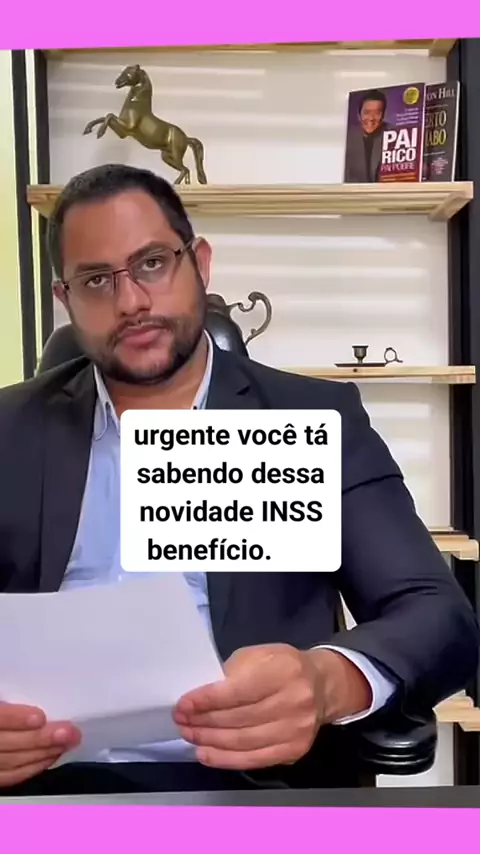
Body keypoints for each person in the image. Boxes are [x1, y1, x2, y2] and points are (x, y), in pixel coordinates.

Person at [0, 164, 477, 796]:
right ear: (66, 300)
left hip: (253, 784)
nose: (131, 302)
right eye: (96, 280)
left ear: (200, 262)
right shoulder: (10, 428)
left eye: (152, 264)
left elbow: (439, 615)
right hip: (42, 787)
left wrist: (326, 681)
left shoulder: (306, 418)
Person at [344, 89, 390, 183]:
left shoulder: (394, 135)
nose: (371, 118)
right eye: (366, 113)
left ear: (383, 115)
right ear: (359, 115)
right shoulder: (349, 138)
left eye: (377, 113)